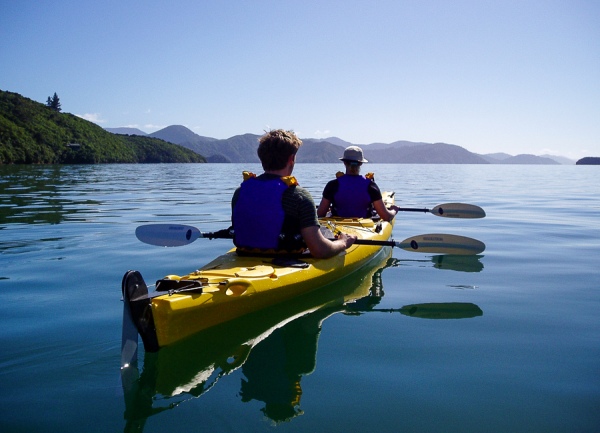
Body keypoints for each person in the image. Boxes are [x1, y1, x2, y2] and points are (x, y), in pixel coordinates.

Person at [232, 129, 356, 259]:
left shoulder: (240, 192)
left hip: (244, 255)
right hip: (287, 259)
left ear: (262, 158)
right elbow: (320, 251)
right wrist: (343, 242)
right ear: (291, 159)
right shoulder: (299, 196)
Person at [317, 146, 398, 221]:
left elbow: (320, 214)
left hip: (336, 228)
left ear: (344, 162)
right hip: (365, 228)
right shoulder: (371, 186)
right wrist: (394, 210)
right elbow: (386, 216)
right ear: (361, 163)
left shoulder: (332, 185)